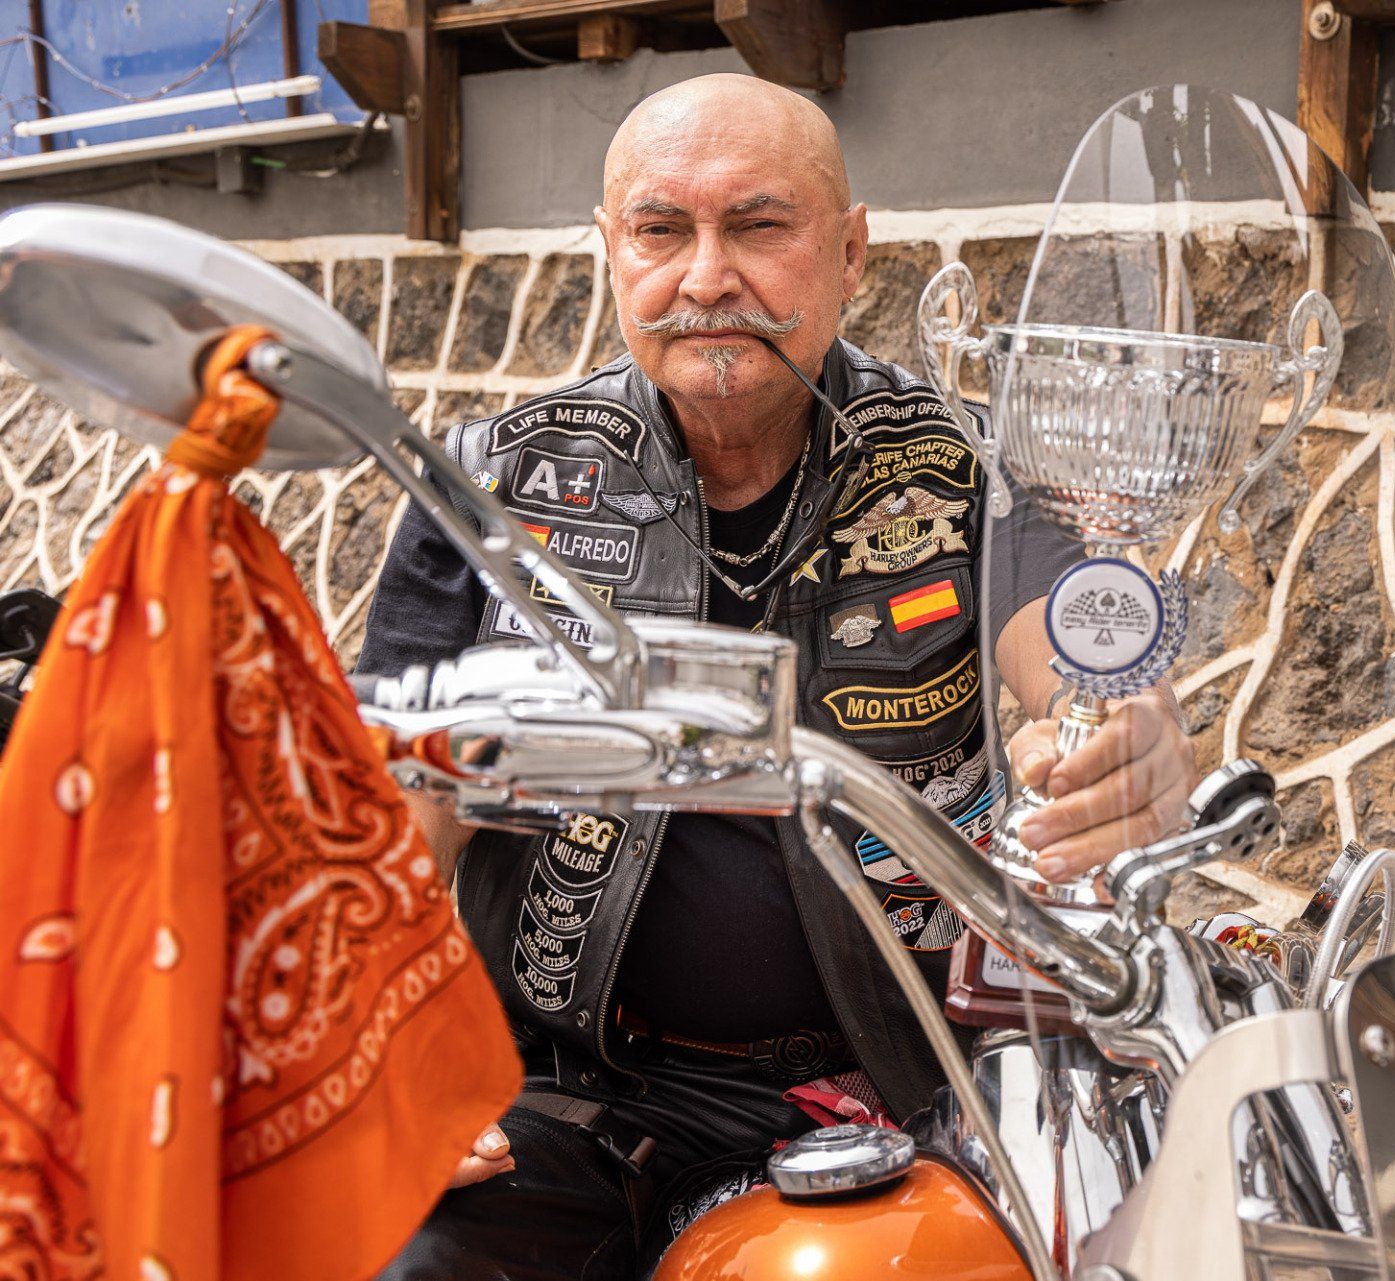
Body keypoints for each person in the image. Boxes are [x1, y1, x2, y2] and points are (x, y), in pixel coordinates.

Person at [355, 72, 1197, 1278]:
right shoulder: (493, 481)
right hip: (571, 1091)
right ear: (610, 250)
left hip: (898, 1088)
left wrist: (1128, 737)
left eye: (758, 226)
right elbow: (389, 802)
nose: (707, 277)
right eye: (661, 230)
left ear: (850, 254)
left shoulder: (963, 465)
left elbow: (1077, 649)